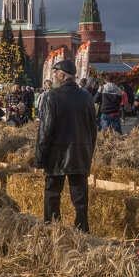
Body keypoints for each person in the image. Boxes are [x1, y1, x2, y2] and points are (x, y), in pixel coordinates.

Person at [35, 59, 97, 232]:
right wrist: (88, 152)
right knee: (80, 199)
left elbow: (45, 131)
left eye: (55, 74)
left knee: (53, 195)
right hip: (80, 153)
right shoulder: (87, 97)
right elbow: (93, 130)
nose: (53, 77)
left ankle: (53, 230)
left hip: (57, 155)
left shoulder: (51, 96)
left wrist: (40, 159)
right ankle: (83, 231)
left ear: (61, 75)